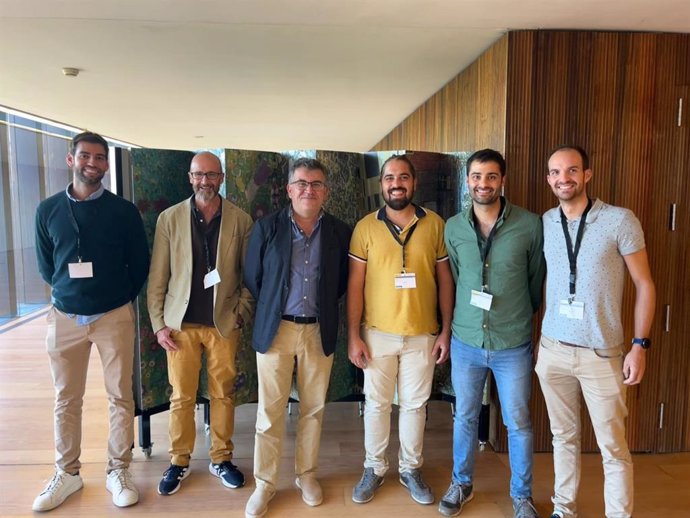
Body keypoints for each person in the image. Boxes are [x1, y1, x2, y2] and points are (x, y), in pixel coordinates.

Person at [535, 145, 655, 518]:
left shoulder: (619, 220)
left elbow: (645, 284)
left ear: (587, 174)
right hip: (553, 349)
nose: (563, 178)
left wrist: (639, 345)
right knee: (562, 438)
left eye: (571, 170)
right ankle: (564, 510)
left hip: (602, 353)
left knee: (612, 447)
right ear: (549, 178)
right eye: (555, 172)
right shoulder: (546, 221)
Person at [33, 131, 150, 511]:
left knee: (121, 396)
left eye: (100, 158)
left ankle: (119, 470)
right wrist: (71, 295)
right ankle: (67, 473)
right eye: (86, 156)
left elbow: (139, 263)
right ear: (71, 160)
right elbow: (47, 266)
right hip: (65, 315)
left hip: (113, 315)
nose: (94, 163)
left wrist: (117, 299)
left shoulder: (123, 211)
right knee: (66, 398)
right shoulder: (47, 210)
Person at [242, 157, 351, 518]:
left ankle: (306, 475)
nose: (309, 189)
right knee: (269, 413)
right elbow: (254, 277)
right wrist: (276, 307)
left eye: (316, 184)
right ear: (289, 190)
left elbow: (339, 283)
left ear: (326, 192)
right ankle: (265, 484)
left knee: (313, 410)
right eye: (301, 183)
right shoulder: (267, 227)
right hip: (277, 329)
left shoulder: (339, 231)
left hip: (318, 329)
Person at [440, 149, 545, 518]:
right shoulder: (452, 227)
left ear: (502, 180)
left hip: (512, 341)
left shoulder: (531, 225)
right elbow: (453, 277)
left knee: (517, 420)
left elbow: (536, 283)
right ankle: (461, 483)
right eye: (476, 176)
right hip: (466, 338)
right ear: (467, 180)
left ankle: (521, 496)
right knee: (465, 416)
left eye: (491, 176)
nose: (483, 183)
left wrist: (523, 321)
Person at [347, 154, 453, 506]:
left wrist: (446, 331)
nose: (396, 183)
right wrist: (353, 335)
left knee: (414, 406)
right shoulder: (365, 228)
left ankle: (410, 469)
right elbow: (355, 285)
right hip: (377, 333)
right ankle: (374, 468)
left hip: (423, 333)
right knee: (376, 405)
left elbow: (445, 280)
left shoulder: (435, 224)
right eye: (390, 177)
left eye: (403, 177)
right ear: (381, 184)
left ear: (414, 182)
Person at [147, 151, 254, 496]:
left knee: (223, 394)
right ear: (190, 178)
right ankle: (179, 461)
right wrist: (159, 324)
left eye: (211, 174)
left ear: (221, 177)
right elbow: (158, 276)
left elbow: (251, 275)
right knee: (181, 396)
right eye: (198, 175)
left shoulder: (240, 220)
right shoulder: (170, 218)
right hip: (180, 325)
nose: (204, 181)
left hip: (223, 323)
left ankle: (221, 458)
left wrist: (242, 312)